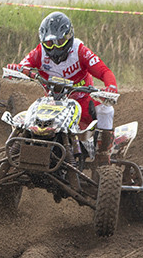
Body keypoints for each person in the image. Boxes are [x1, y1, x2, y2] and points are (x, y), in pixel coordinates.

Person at [12, 11, 119, 165]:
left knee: (106, 109)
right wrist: (16, 69)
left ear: (69, 37)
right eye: (49, 43)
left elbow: (104, 71)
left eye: (60, 41)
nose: (54, 48)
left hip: (82, 101)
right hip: (51, 102)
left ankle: (103, 154)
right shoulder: (40, 52)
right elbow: (22, 66)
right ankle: (9, 155)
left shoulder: (80, 50)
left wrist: (111, 87)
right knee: (23, 120)